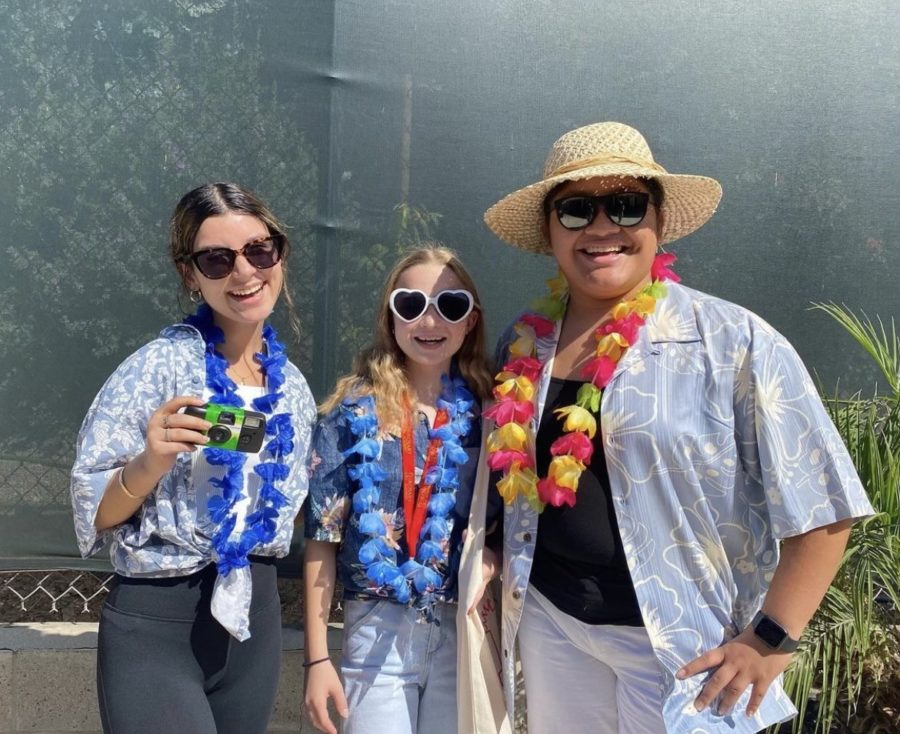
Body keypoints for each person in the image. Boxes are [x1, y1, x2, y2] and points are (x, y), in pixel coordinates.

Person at [471, 121, 874, 734]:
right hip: (554, 627)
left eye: (627, 205)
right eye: (576, 210)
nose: (602, 227)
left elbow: (825, 505)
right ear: (550, 231)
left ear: (658, 220)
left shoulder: (734, 341)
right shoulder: (523, 344)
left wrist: (770, 638)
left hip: (684, 646)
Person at [70, 182, 316, 734]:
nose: (244, 273)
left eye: (259, 249)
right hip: (160, 618)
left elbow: (292, 502)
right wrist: (149, 462)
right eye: (217, 259)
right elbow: (95, 511)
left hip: (254, 616)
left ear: (279, 254)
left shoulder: (293, 390)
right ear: (191, 275)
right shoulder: (154, 369)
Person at [303, 244, 496, 734]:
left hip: (463, 628)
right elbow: (322, 540)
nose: (429, 322)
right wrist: (316, 658)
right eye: (411, 304)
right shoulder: (349, 413)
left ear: (470, 320)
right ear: (391, 317)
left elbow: (510, 521)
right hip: (376, 629)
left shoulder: (494, 415)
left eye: (449, 306)